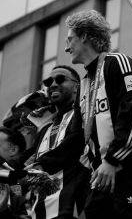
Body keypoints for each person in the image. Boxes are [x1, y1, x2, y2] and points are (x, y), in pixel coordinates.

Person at [64, 10, 132, 219]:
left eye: (70, 39)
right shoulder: (84, 84)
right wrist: (39, 166)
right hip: (101, 177)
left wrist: (112, 160)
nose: (66, 47)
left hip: (131, 169)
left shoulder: (118, 63)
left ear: (84, 36)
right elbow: (75, 138)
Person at [28, 65, 90, 219]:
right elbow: (27, 162)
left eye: (61, 79)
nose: (53, 84)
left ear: (77, 87)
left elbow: (74, 144)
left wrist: (41, 164)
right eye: (48, 82)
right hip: (40, 210)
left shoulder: (84, 114)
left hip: (71, 205)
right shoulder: (45, 128)